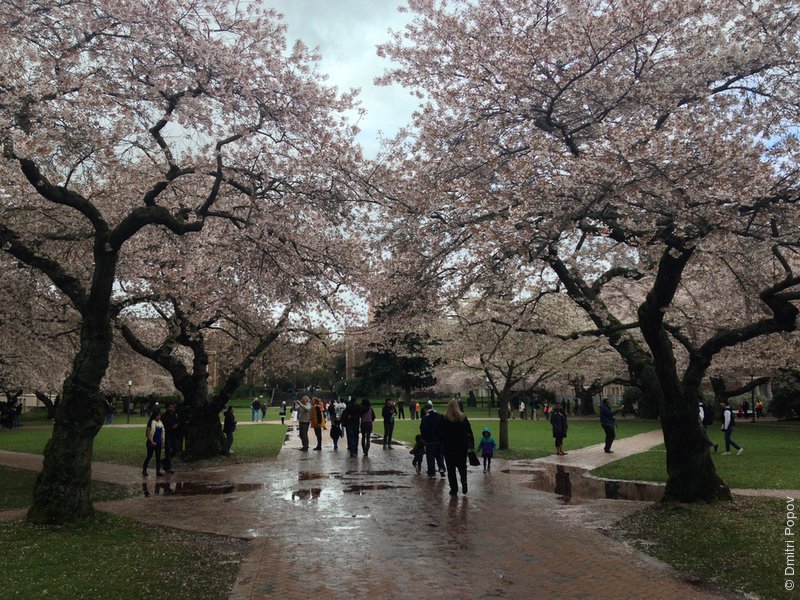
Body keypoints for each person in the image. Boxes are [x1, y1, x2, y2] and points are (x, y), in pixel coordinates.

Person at [441, 399, 474, 496]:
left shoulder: (444, 418)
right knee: (462, 466)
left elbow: (440, 432)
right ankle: (464, 480)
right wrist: (471, 444)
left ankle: (454, 488)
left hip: (449, 446)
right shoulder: (463, 417)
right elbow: (469, 431)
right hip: (461, 445)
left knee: (451, 469)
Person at [420, 403, 446, 478]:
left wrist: (424, 438)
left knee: (430, 457)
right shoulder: (440, 416)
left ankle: (432, 473)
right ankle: (441, 468)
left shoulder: (425, 417)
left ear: (425, 409)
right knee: (440, 455)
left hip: (430, 440)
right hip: (439, 440)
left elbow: (423, 429)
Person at [142, 411, 165, 477]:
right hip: (150, 443)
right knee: (149, 456)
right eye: (158, 415)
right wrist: (152, 442)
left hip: (158, 443)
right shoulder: (150, 422)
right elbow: (147, 434)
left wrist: (161, 441)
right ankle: (144, 470)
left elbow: (162, 433)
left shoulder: (161, 423)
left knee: (158, 457)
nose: (159, 417)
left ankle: (158, 472)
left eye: (160, 416)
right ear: (154, 416)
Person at [161, 402, 180, 473]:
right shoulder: (164, 416)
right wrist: (171, 427)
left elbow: (177, 422)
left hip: (174, 435)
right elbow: (164, 427)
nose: (172, 408)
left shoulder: (175, 415)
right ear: (167, 408)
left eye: (173, 407)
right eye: (170, 407)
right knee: (168, 451)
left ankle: (165, 461)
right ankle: (167, 467)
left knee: (176, 449)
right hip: (167, 435)